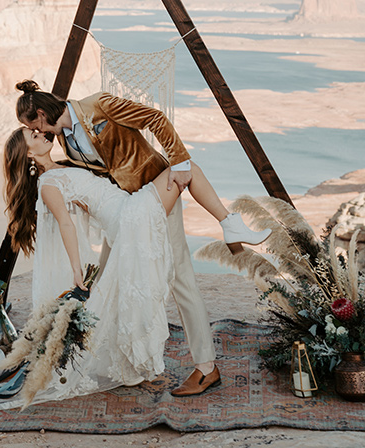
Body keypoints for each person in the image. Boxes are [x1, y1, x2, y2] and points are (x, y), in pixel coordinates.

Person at [15, 80, 271, 397]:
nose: (36, 132)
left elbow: (154, 118)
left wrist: (178, 162)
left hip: (153, 199)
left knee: (180, 279)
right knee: (105, 284)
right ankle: (109, 361)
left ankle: (206, 368)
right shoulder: (66, 145)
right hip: (124, 213)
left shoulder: (99, 105)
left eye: (30, 125)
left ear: (40, 114)